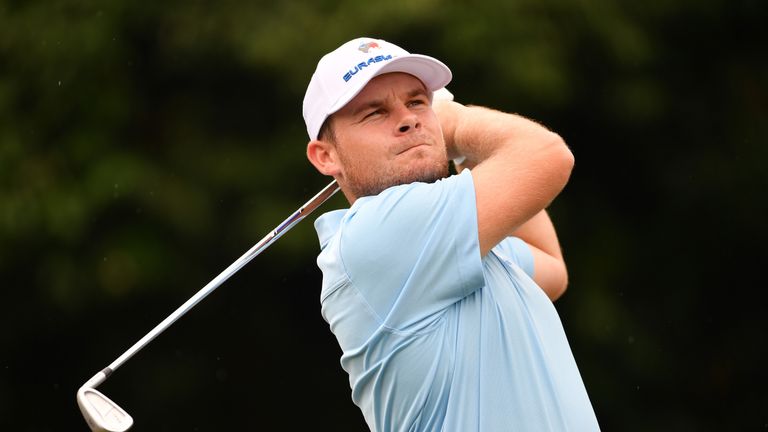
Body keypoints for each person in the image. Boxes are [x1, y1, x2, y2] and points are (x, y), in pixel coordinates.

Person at [303, 37, 599, 431]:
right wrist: (454, 124)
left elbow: (549, 268)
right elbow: (547, 156)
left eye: (416, 102)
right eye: (374, 113)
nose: (409, 119)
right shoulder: (376, 234)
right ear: (327, 156)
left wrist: (457, 151)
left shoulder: (451, 240)